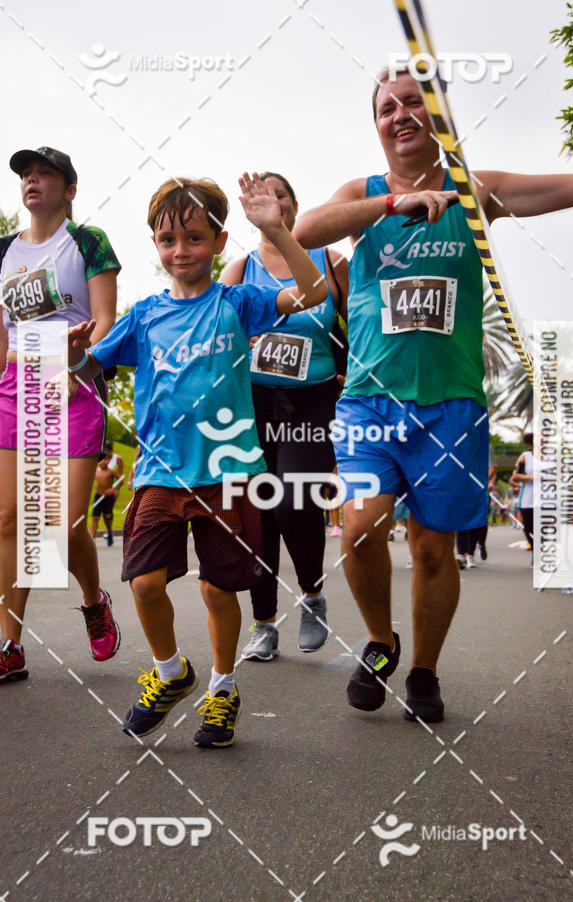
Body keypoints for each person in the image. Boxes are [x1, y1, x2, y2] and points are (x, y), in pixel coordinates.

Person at [294, 66, 573, 722]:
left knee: (434, 547)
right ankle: (380, 640)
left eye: (414, 103)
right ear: (376, 125)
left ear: (438, 115)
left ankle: (425, 672)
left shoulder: (474, 190)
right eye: (387, 108)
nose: (401, 115)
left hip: (452, 406)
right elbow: (304, 232)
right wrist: (389, 206)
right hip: (369, 402)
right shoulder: (363, 194)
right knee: (357, 526)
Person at [66, 172, 328, 747]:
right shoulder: (143, 315)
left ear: (219, 241)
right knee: (143, 583)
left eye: (193, 238)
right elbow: (88, 372)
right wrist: (74, 354)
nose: (180, 251)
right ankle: (170, 673)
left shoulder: (238, 302)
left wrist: (278, 231)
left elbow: (314, 293)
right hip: (162, 470)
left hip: (230, 473)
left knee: (217, 589)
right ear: (155, 247)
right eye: (167, 240)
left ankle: (222, 687)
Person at [0, 146, 121, 683]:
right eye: (26, 174)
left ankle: (94, 602)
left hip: (72, 386)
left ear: (69, 189)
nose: (32, 181)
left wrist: (72, 358)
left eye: (45, 173)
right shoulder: (3, 250)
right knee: (9, 519)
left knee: (62, 523)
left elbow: (104, 322)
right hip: (14, 389)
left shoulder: (88, 242)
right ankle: (9, 644)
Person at [221, 172, 348, 662]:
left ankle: (312, 595)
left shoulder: (331, 263)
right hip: (253, 402)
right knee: (258, 512)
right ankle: (264, 623)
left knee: (295, 499)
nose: (271, 203)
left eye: (280, 195)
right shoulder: (240, 269)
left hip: (314, 401)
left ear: (295, 207)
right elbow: (219, 328)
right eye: (262, 197)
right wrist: (241, 342)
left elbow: (359, 325)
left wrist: (351, 377)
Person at [456, 445, 496, 568]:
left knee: (478, 521)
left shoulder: (485, 445)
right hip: (462, 487)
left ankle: (475, 549)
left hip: (479, 487)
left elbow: (492, 468)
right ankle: (462, 554)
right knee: (462, 520)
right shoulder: (457, 443)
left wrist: (483, 480)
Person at [512, 433, 534, 560]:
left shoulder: (552, 457)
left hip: (547, 499)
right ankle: (535, 550)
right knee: (529, 527)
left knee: (543, 527)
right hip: (528, 498)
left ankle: (540, 553)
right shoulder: (525, 457)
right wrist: (531, 477)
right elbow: (515, 475)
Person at [91, 451, 120, 546]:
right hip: (98, 496)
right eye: (101, 460)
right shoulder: (95, 471)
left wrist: (113, 489)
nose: (103, 462)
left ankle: (109, 532)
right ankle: (92, 538)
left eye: (105, 459)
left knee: (107, 518)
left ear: (109, 461)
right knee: (95, 517)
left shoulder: (111, 472)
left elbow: (120, 480)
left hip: (108, 497)